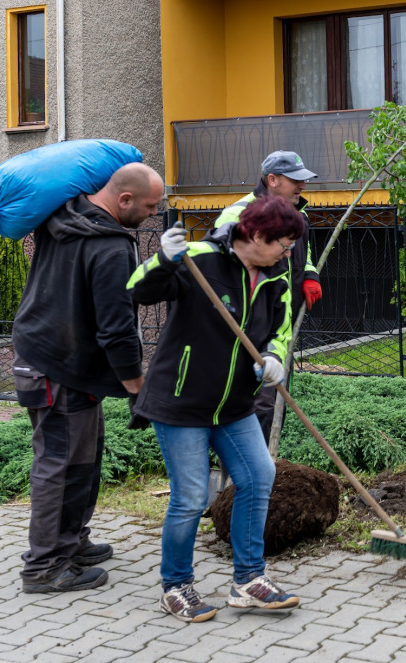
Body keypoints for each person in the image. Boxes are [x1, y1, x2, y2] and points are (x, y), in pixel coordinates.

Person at [128, 195, 305, 623]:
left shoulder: (276, 277)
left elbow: (279, 329)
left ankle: (248, 580)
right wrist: (163, 261)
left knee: (259, 476)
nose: (289, 253)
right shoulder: (199, 260)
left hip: (234, 404)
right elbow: (137, 290)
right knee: (190, 497)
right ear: (257, 235)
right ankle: (176, 586)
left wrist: (276, 357)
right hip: (181, 400)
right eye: (284, 243)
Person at [12, 162, 162, 593]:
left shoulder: (63, 218)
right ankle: (44, 567)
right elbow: (116, 329)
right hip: (57, 367)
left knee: (83, 459)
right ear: (124, 199)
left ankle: (72, 541)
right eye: (150, 206)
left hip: (57, 359)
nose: (154, 214)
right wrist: (137, 389)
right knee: (60, 465)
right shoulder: (110, 247)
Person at [215, 150, 322, 441]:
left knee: (275, 398)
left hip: (281, 323)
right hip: (249, 325)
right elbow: (218, 268)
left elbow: (304, 251)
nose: (302, 187)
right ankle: (247, 472)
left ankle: (264, 467)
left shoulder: (298, 212)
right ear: (272, 180)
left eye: (304, 180)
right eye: (295, 180)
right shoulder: (238, 214)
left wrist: (309, 274)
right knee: (255, 401)